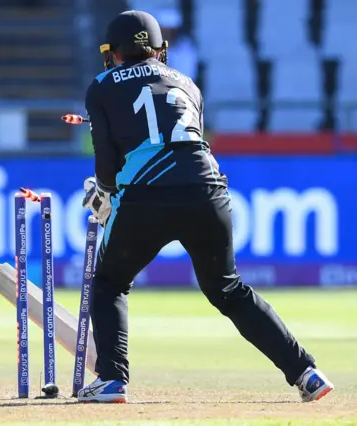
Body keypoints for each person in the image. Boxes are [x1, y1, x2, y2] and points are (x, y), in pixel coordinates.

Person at [78, 10, 334, 403]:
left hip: (148, 195)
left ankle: (112, 378)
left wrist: (108, 193)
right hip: (209, 191)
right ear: (160, 51)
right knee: (229, 290)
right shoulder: (188, 83)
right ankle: (307, 373)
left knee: (110, 283)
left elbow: (106, 161)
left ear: (113, 52)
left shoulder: (101, 85)